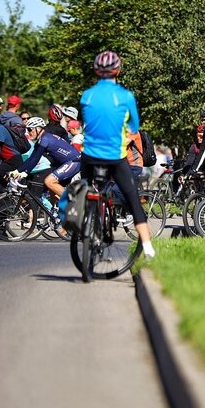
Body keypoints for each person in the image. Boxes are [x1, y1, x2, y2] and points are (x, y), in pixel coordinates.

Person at [78, 50, 155, 258]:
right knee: (132, 198)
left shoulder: (87, 95)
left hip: (89, 156)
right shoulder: (125, 96)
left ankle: (85, 224)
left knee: (84, 191)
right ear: (117, 71)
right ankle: (148, 248)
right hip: (114, 156)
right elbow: (134, 125)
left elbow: (83, 119)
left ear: (96, 70)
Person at [11, 117, 81, 200]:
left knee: (49, 181)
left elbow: (35, 159)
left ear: (38, 129)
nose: (28, 132)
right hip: (68, 162)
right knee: (52, 189)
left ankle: (75, 202)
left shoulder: (45, 139)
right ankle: (54, 212)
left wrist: (25, 172)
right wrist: (17, 170)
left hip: (74, 161)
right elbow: (31, 159)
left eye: (30, 129)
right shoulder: (42, 140)